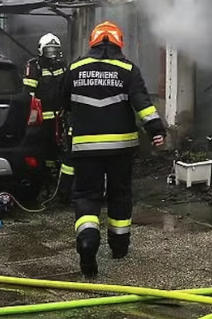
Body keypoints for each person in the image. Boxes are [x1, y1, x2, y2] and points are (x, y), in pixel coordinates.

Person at [59, 21, 165, 277]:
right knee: (120, 194)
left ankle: (87, 241)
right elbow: (143, 104)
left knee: (86, 195)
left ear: (93, 42)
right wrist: (157, 131)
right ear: (119, 43)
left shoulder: (75, 68)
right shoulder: (129, 69)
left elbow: (63, 101)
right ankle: (119, 246)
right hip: (121, 147)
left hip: (85, 147)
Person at [23, 33, 70, 194]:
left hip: (60, 116)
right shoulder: (34, 66)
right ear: (41, 50)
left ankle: (59, 179)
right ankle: (44, 179)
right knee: (43, 148)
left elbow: (66, 87)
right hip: (42, 118)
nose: (52, 54)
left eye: (54, 50)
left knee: (60, 148)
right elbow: (29, 93)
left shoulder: (62, 66)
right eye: (49, 50)